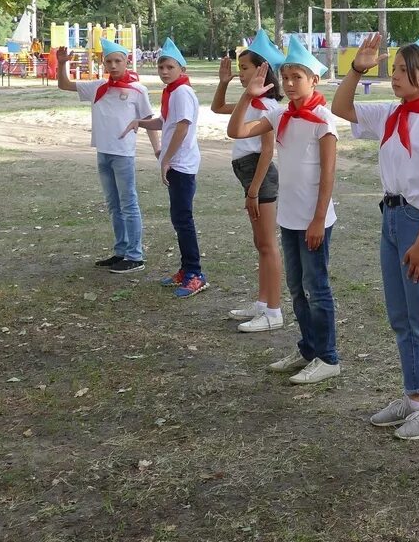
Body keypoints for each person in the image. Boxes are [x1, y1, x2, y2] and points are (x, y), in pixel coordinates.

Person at [333, 28, 419, 441]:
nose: (396, 76)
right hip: (391, 218)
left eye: (405, 70)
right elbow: (341, 106)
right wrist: (356, 68)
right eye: (395, 69)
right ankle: (415, 396)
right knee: (401, 317)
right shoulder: (393, 113)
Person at [227, 38, 342, 385]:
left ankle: (328, 357)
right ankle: (308, 349)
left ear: (314, 81)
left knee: (316, 287)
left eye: (298, 77)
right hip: (289, 216)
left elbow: (328, 175)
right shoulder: (279, 114)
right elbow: (236, 130)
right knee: (296, 287)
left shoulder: (323, 120)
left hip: (313, 219)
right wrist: (248, 94)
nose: (290, 83)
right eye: (286, 77)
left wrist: (319, 219)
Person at [55, 39, 158, 274]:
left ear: (126, 62)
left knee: (128, 203)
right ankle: (121, 251)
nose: (113, 66)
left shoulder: (137, 90)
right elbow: (65, 85)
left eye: (117, 61)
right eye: (109, 61)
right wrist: (62, 64)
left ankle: (135, 255)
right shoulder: (98, 87)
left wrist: (157, 149)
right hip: (103, 152)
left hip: (123, 154)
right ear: (103, 63)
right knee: (114, 205)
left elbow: (149, 120)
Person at [122, 39, 208, 297]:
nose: (164, 71)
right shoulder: (173, 91)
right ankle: (186, 269)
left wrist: (167, 158)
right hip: (177, 163)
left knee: (183, 219)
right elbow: (165, 122)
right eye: (161, 67)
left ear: (181, 69)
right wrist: (140, 122)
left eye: (169, 66)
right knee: (179, 218)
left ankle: (195, 273)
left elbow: (182, 127)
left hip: (182, 164)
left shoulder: (181, 92)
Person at [213, 30, 286, 331]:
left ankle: (274, 312)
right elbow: (218, 108)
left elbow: (267, 151)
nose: (241, 74)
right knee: (261, 243)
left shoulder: (268, 109)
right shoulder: (252, 105)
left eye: (245, 69)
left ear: (262, 70)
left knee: (268, 245)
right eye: (240, 69)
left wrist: (254, 190)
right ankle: (261, 303)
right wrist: (223, 82)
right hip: (250, 175)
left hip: (260, 177)